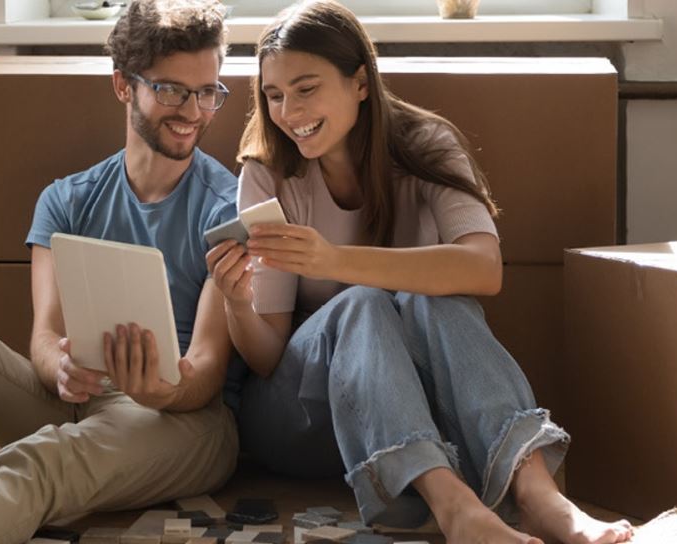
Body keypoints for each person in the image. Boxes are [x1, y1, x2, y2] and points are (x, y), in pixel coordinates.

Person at [204, 2, 635, 543]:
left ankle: (538, 496)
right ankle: (455, 508)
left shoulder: (425, 144)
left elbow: (484, 269)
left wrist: (334, 260)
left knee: (437, 298)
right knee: (364, 303)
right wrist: (236, 301)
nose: (288, 112)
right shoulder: (268, 169)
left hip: (418, 413)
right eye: (273, 95)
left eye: (306, 89)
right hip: (301, 420)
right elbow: (267, 358)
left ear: (360, 82)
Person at [0, 1, 241, 542]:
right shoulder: (66, 199)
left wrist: (160, 391)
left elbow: (209, 370)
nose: (192, 111)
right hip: (71, 400)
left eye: (206, 93)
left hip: (179, 422)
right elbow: (44, 336)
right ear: (124, 86)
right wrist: (58, 368)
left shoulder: (225, 208)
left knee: (47, 459)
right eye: (171, 90)